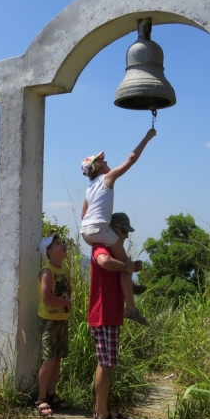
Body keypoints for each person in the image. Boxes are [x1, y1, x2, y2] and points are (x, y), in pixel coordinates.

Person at [80, 128, 156, 325]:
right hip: (100, 229)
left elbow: (83, 214)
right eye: (102, 161)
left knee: (126, 266)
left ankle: (130, 285)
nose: (106, 162)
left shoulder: (89, 187)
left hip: (86, 231)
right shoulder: (108, 178)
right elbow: (131, 159)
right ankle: (131, 308)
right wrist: (146, 137)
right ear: (97, 167)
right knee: (127, 266)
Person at [89, 212, 141, 419]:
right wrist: (127, 266)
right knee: (105, 364)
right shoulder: (101, 246)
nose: (126, 237)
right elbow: (104, 263)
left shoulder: (116, 251)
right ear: (111, 229)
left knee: (108, 365)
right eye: (123, 232)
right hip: (103, 314)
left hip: (112, 314)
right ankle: (102, 416)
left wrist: (130, 267)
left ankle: (102, 409)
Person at [34, 234, 72, 417]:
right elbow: (47, 299)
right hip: (49, 320)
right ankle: (41, 398)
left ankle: (52, 393)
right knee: (49, 359)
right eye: (58, 244)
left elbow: (68, 290)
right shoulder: (47, 271)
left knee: (57, 359)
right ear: (50, 251)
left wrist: (67, 301)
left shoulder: (64, 271)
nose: (63, 245)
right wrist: (65, 302)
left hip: (61, 319)